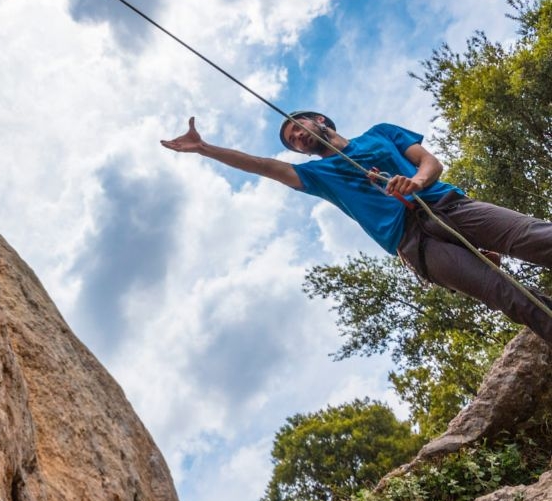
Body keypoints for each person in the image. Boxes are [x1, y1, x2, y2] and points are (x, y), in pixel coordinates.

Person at [161, 112, 552, 345]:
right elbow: (262, 165)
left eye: (298, 126)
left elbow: (430, 163)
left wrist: (415, 182)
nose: (297, 136)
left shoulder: (380, 133)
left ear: (320, 121)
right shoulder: (316, 174)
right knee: (509, 296)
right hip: (413, 243)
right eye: (292, 140)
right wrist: (206, 148)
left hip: (445, 205)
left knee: (535, 237)